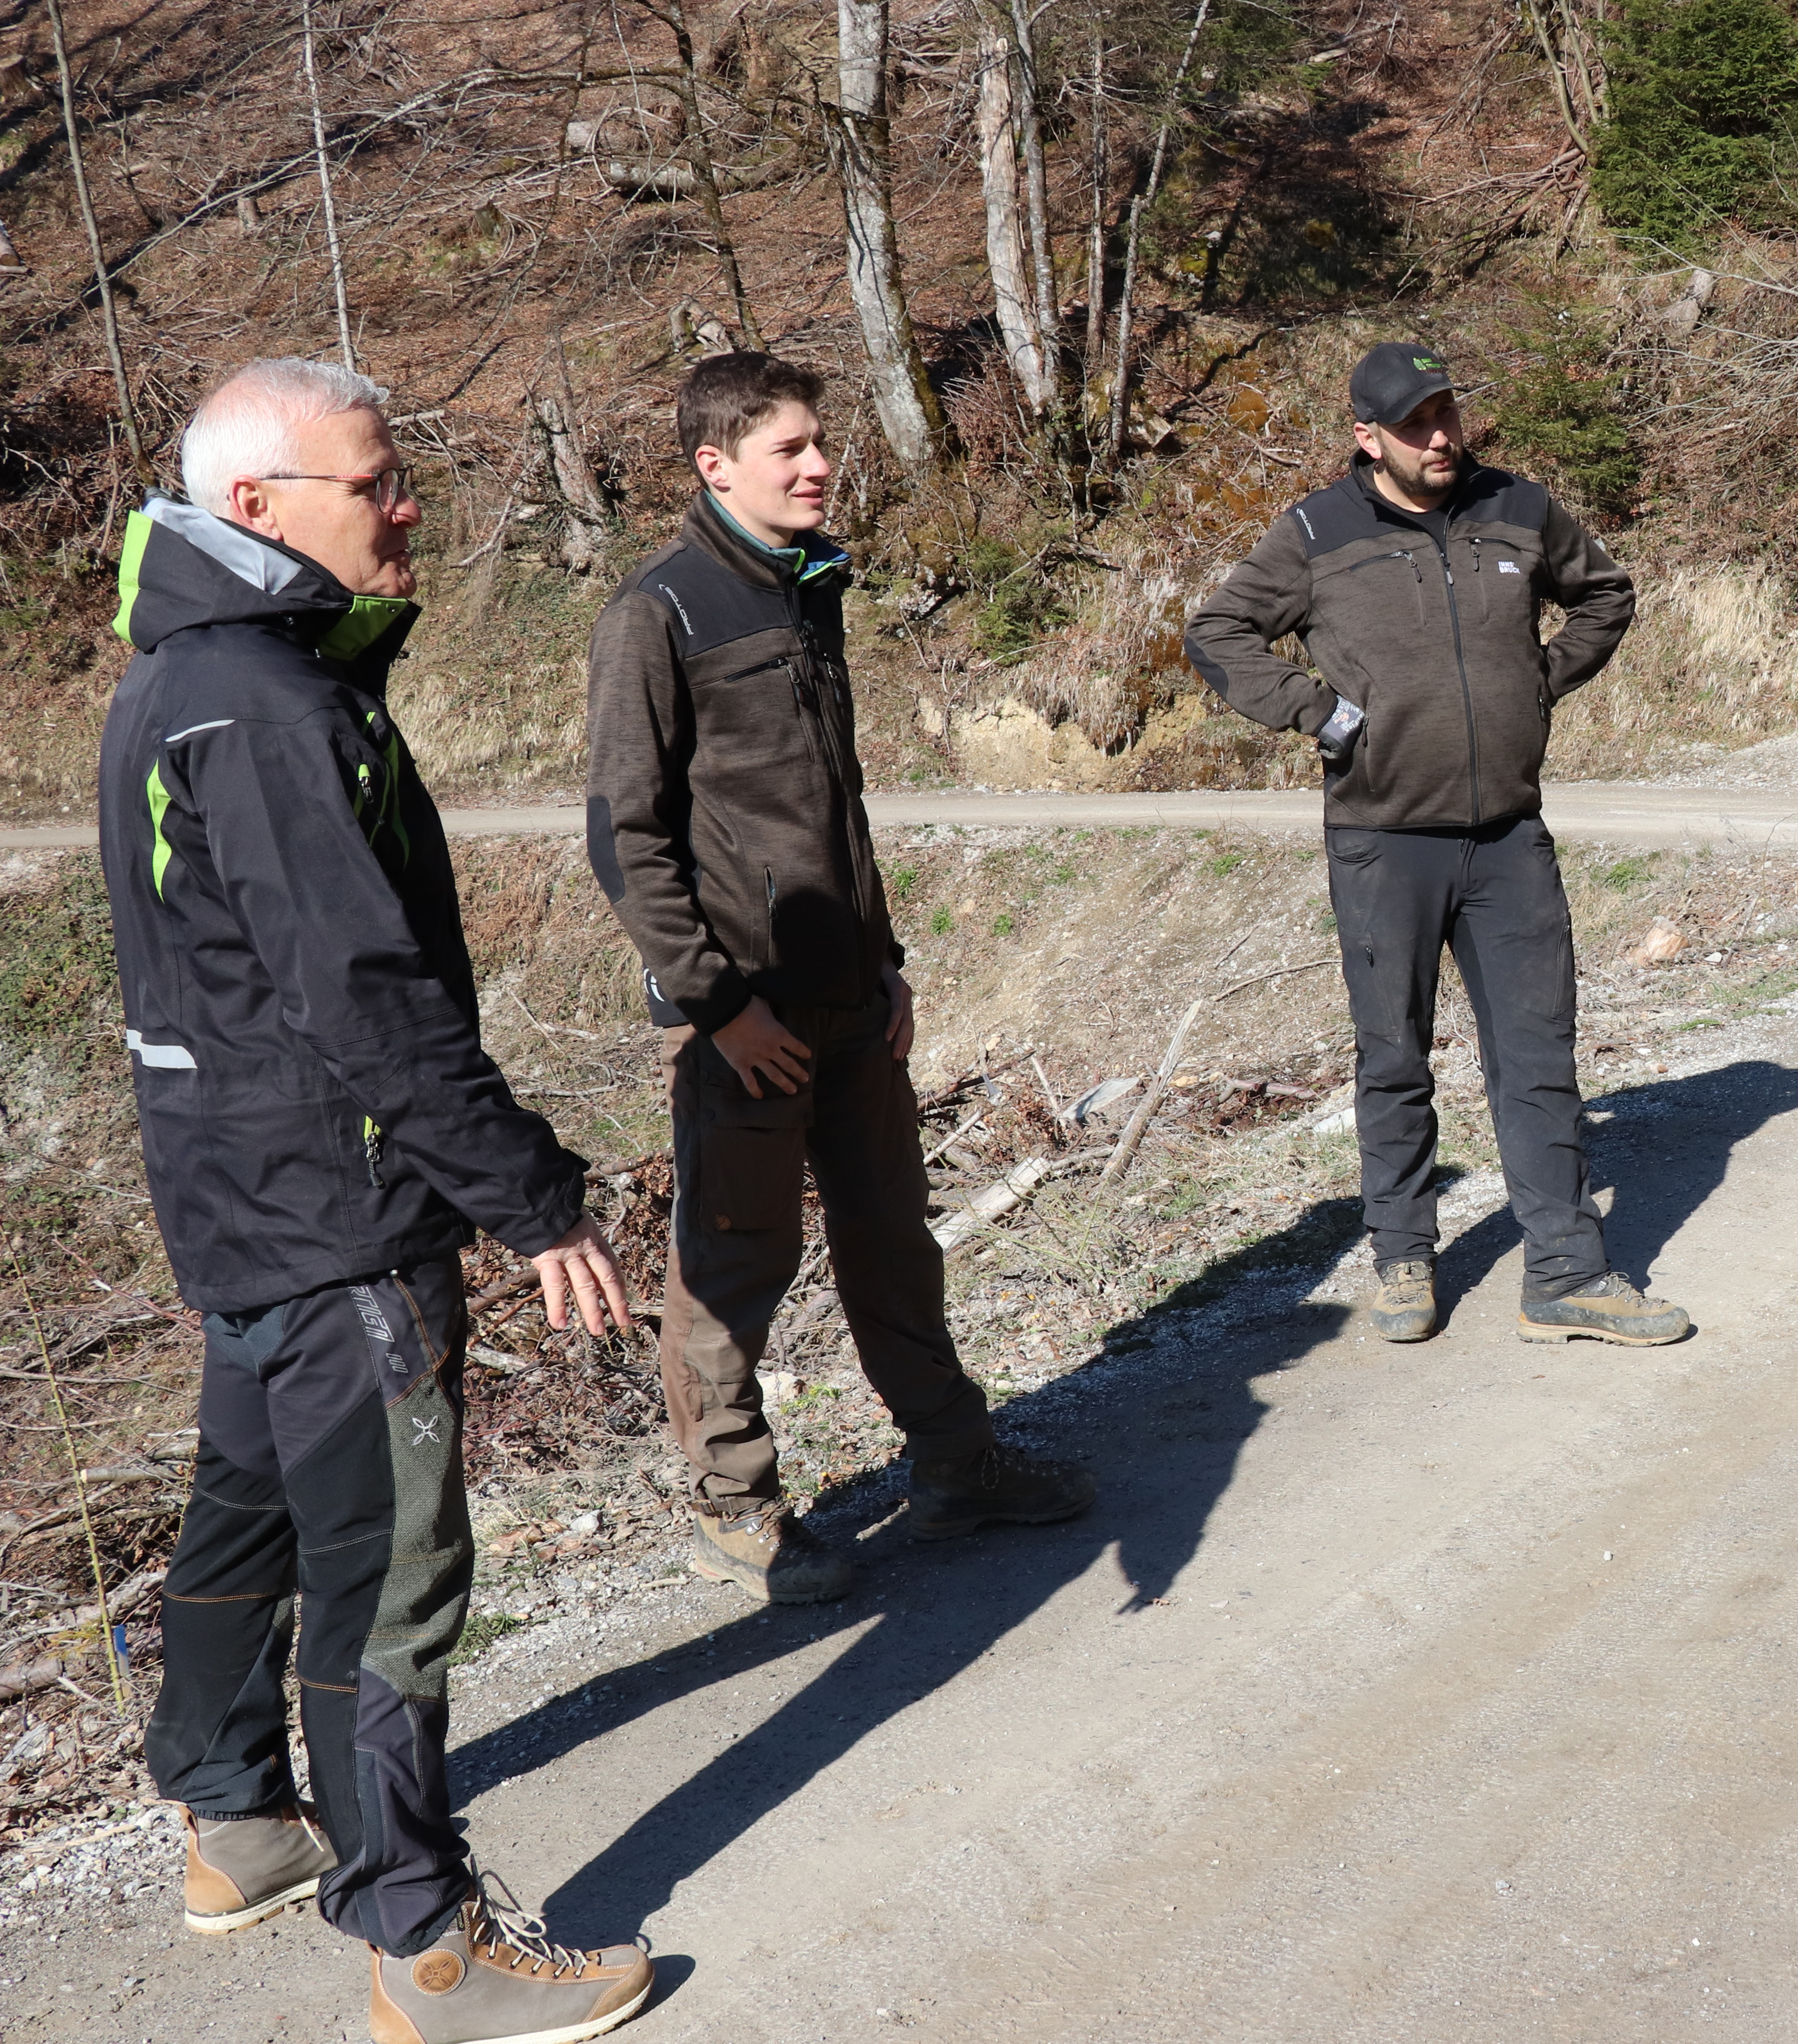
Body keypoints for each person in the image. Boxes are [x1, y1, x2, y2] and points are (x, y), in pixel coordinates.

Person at [102, 360, 654, 2044]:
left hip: (239, 1202)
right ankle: (424, 1945)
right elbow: (363, 996)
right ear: (254, 505)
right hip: (337, 1213)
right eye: (375, 481)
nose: (408, 505)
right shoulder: (266, 707)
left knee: (253, 1508)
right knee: (390, 1572)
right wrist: (531, 1199)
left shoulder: (179, 676)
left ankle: (234, 1822)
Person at [585, 352, 1092, 1606]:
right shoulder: (660, 611)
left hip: (852, 997)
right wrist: (720, 1008)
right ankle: (736, 1510)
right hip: (746, 1012)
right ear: (715, 465)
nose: (820, 466)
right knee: (731, 1265)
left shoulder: (808, 585)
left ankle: (957, 1465)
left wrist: (887, 961)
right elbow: (626, 837)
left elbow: (835, 812)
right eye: (791, 449)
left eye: (820, 442)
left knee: (892, 1244)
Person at [1184, 342, 1690, 1346]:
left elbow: (1606, 593)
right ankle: (1404, 1258)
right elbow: (1219, 630)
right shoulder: (1318, 531)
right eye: (1416, 424)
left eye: (1447, 413)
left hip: (1508, 836)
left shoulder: (1518, 507)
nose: (1441, 437)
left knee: (1538, 1057)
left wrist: (1541, 681)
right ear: (1369, 437)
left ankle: (1566, 1272)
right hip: (1384, 840)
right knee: (1394, 1057)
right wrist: (1320, 713)